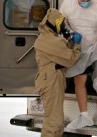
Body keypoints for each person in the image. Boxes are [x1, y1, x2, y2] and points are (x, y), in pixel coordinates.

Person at [59, 0, 97, 130]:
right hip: (79, 44)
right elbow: (60, 21)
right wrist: (69, 32)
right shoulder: (68, 3)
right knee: (80, 79)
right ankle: (84, 116)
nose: (85, 2)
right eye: (82, 0)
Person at [33, 8, 82, 137]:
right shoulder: (51, 41)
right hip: (51, 81)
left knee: (57, 121)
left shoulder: (49, 37)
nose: (63, 26)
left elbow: (60, 50)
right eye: (61, 23)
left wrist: (67, 38)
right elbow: (71, 59)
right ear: (54, 23)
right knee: (53, 122)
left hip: (51, 79)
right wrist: (77, 44)